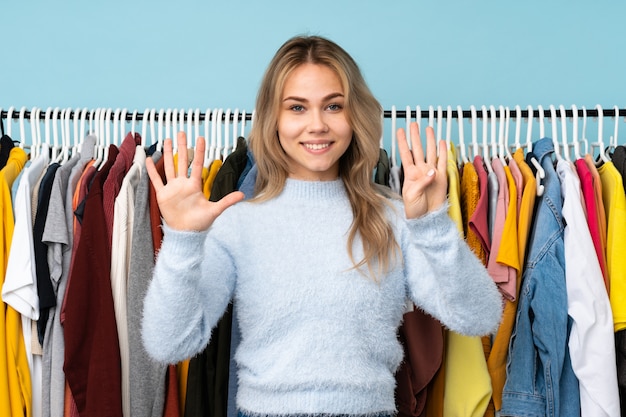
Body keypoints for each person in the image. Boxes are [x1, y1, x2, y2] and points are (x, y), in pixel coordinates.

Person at [142, 35, 503, 416]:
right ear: (274, 119)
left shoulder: (393, 217)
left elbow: (479, 316)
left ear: (355, 115)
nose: (317, 125)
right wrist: (182, 241)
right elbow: (169, 345)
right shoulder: (239, 222)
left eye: (333, 106)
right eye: (297, 108)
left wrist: (433, 226)